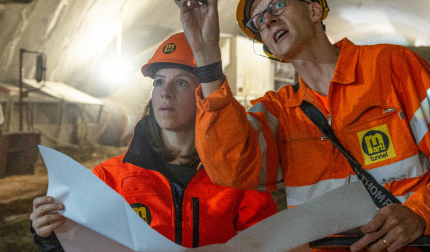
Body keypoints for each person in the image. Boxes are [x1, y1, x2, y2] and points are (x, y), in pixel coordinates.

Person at [174, 0, 430, 252]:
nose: (268, 20)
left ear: (314, 10)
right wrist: (206, 55)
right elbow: (231, 170)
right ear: (269, 48)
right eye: (258, 21)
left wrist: (420, 213)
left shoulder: (392, 67)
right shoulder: (279, 111)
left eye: (277, 5)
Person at [30, 32, 277, 250]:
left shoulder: (239, 178)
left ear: (204, 96)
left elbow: (268, 243)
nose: (165, 92)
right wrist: (52, 235)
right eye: (159, 81)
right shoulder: (109, 178)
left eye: (181, 82)